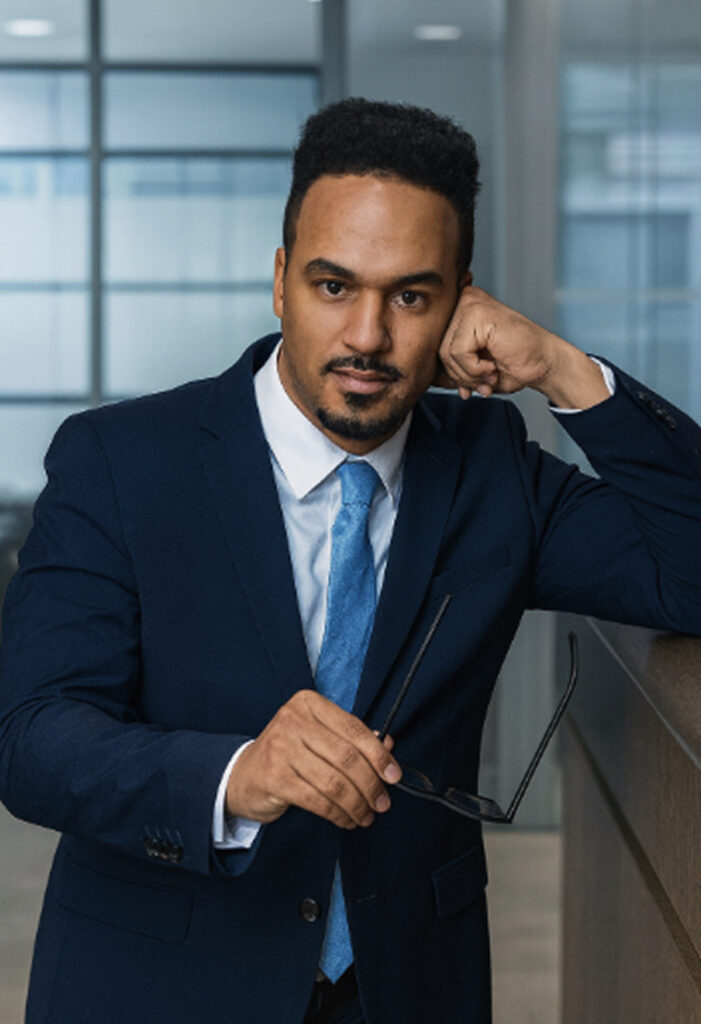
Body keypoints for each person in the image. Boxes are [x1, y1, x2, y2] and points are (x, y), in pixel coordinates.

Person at [1, 97, 700, 1024]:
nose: (368, 336)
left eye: (411, 295)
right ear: (281, 277)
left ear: (461, 301)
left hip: (408, 984)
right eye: (334, 287)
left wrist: (564, 371)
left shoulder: (492, 474)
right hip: (160, 983)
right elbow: (31, 737)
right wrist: (233, 775)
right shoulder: (122, 461)